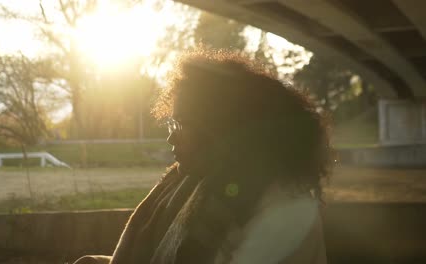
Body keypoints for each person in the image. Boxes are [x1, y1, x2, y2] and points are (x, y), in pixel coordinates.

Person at [74, 50, 332, 264]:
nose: (171, 138)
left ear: (224, 127)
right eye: (171, 124)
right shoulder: (192, 182)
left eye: (182, 125)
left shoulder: (286, 208)